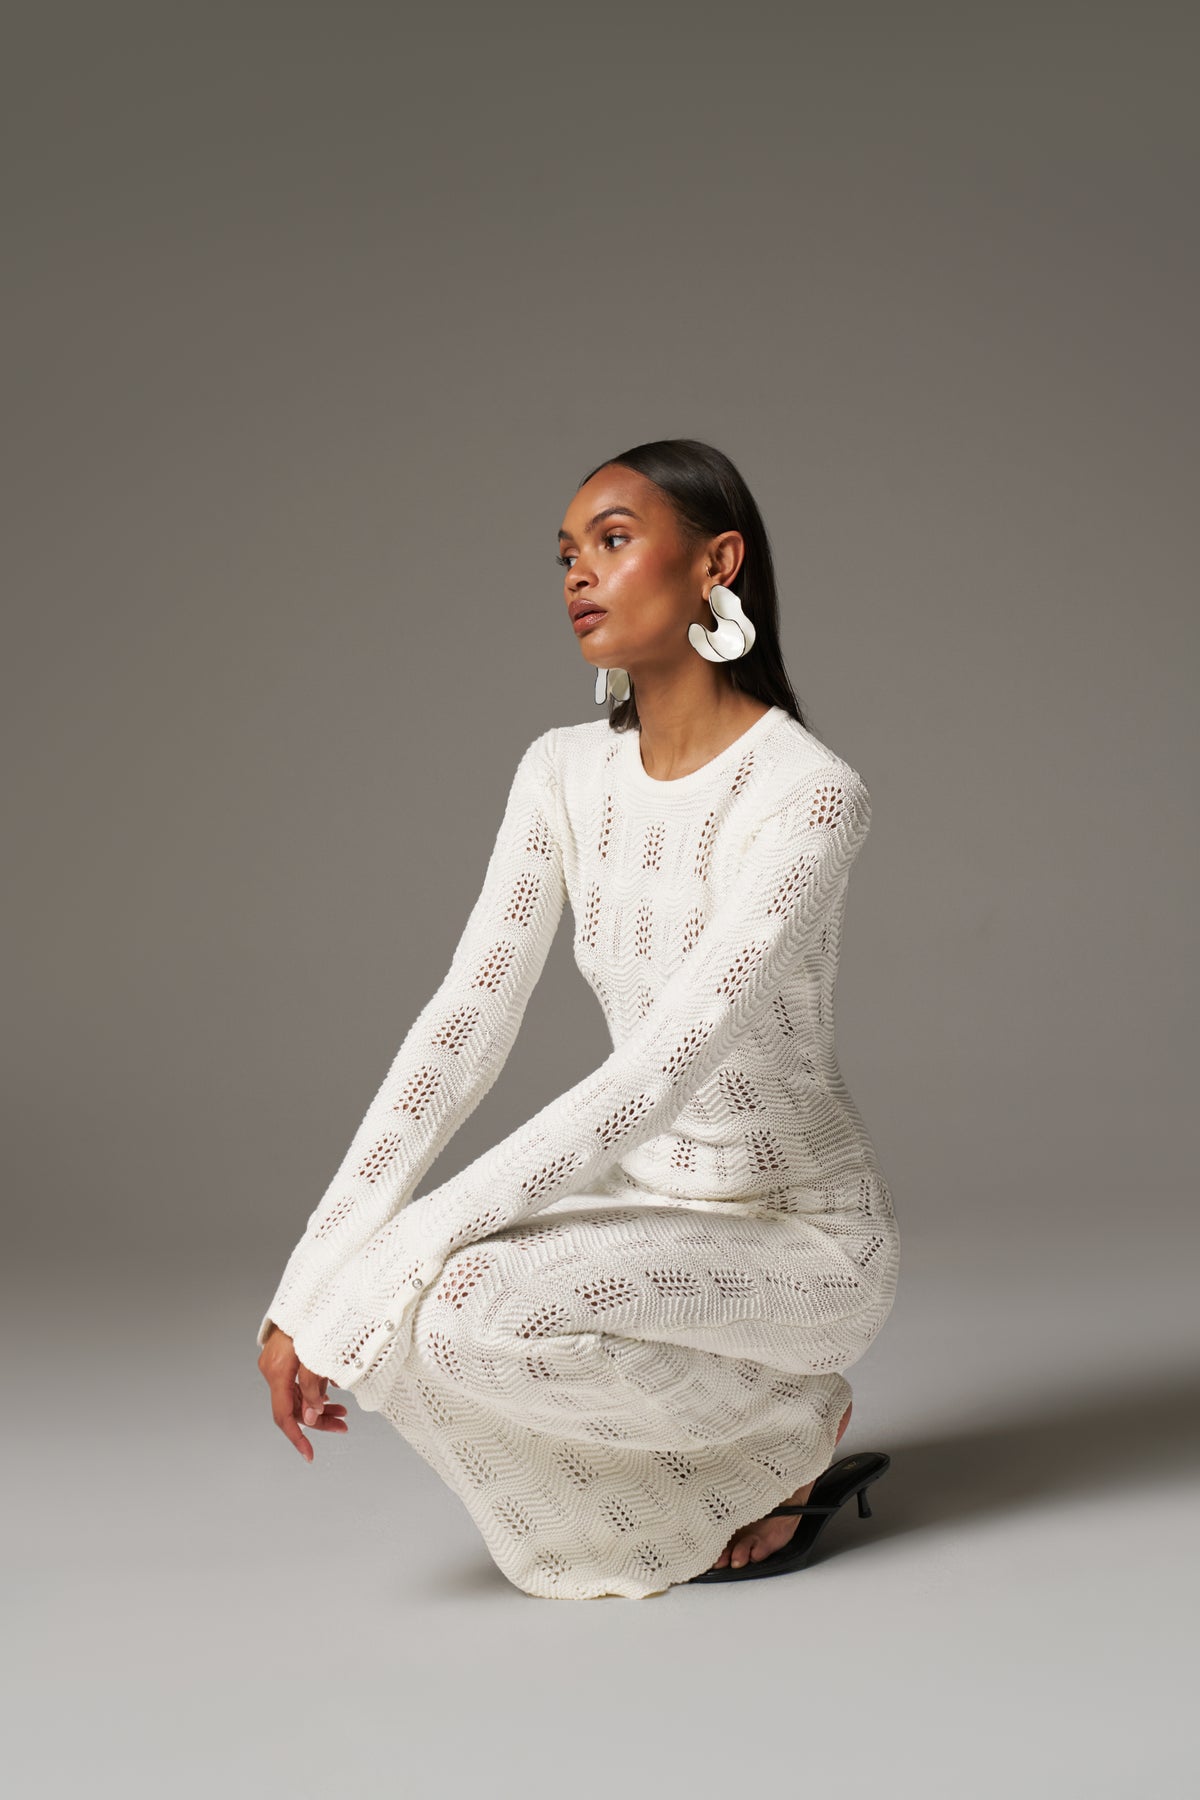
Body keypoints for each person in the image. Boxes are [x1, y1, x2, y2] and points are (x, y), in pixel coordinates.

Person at [256, 437, 900, 1600]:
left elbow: (658, 1070)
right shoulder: (560, 772)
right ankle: (739, 1450)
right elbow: (463, 1022)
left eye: (612, 540)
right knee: (423, 1320)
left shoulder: (807, 794)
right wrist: (313, 1278)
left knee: (438, 1291)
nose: (578, 575)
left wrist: (390, 1255)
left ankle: (788, 1430)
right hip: (644, 1208)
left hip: (802, 1242)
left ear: (716, 564)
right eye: (565, 555)